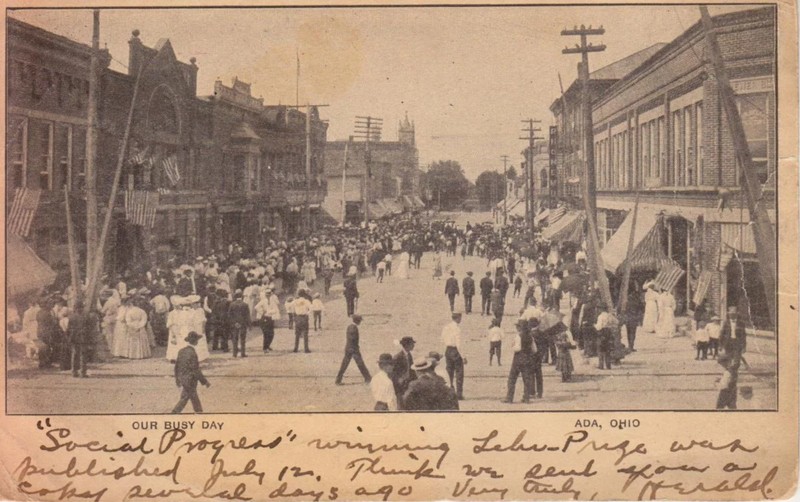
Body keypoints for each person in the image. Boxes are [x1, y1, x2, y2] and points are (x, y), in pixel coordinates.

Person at [172, 331, 211, 414]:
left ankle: (198, 411)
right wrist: (205, 382)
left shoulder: (181, 351)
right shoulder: (193, 353)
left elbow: (176, 367)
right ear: (195, 341)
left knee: (189, 396)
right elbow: (196, 370)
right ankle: (174, 412)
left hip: (182, 378)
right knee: (189, 397)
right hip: (190, 380)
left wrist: (177, 379)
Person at [502, 319, 535, 404]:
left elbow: (518, 348)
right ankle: (526, 398)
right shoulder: (530, 336)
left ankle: (509, 398)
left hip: (518, 359)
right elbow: (535, 349)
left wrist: (512, 345)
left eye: (517, 326)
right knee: (526, 379)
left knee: (512, 379)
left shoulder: (518, 336)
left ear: (520, 328)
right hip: (527, 359)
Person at [335, 315, 372, 385]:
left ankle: (338, 379)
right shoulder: (353, 328)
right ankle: (368, 378)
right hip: (353, 349)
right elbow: (352, 339)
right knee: (360, 363)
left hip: (349, 348)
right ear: (357, 321)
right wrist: (355, 348)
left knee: (344, 364)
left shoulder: (350, 326)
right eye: (360, 321)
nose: (360, 322)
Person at [67, 300, 98, 378]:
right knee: (83, 355)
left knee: (75, 354)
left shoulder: (71, 316)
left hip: (74, 337)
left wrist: (69, 337)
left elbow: (68, 329)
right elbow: (90, 328)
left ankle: (74, 371)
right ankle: (82, 372)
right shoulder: (86, 316)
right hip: (83, 337)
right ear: (82, 308)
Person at [441, 312, 465, 400]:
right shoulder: (457, 329)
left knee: (449, 372)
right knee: (459, 373)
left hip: (448, 350)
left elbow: (442, 339)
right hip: (455, 351)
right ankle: (459, 394)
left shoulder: (446, 327)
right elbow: (459, 344)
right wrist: (464, 356)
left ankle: (449, 393)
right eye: (460, 318)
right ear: (458, 318)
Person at [391, 336, 416, 408]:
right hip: (400, 385)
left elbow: (411, 369)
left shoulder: (409, 355)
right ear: (407, 345)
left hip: (407, 383)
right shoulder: (397, 357)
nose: (413, 346)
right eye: (412, 344)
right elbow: (393, 372)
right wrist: (399, 380)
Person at [720, 306, 747, 371]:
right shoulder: (726, 322)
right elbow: (722, 334)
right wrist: (721, 345)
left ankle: (732, 373)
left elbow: (743, 335)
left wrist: (744, 346)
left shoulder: (741, 323)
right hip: (728, 343)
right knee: (727, 359)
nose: (732, 314)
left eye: (734, 312)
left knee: (737, 361)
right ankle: (730, 373)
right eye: (731, 312)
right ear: (728, 313)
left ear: (737, 313)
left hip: (737, 343)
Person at [255, 287, 281, 353]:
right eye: (267, 294)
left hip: (270, 318)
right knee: (266, 333)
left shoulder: (273, 301)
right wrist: (262, 312)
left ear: (271, 295)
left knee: (271, 333)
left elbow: (276, 309)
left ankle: (268, 345)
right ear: (265, 295)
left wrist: (270, 312)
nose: (268, 295)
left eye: (269, 294)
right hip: (264, 318)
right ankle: (265, 348)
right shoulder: (263, 301)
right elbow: (256, 307)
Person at [228, 291, 250, 358]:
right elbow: (247, 316)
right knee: (242, 339)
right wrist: (249, 325)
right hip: (243, 324)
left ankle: (234, 354)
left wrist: (234, 322)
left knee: (235, 339)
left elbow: (229, 315)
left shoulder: (232, 304)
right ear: (242, 297)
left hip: (234, 324)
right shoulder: (245, 305)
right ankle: (243, 353)